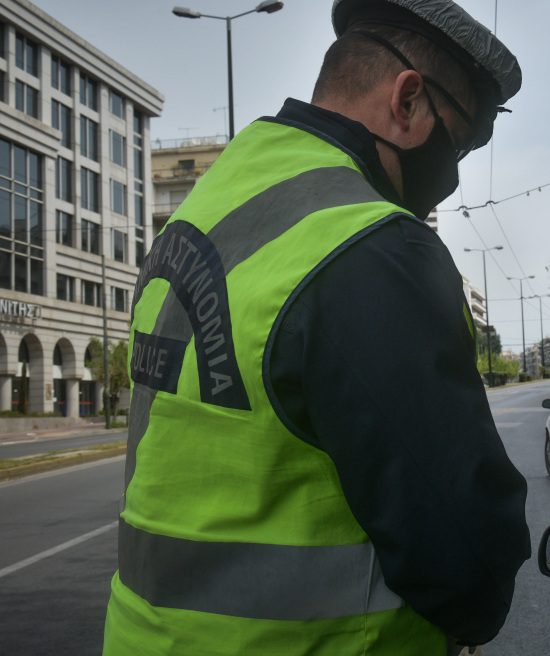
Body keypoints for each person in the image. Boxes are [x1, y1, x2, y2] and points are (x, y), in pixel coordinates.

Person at [102, 1, 528, 654]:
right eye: (461, 141)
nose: (456, 167)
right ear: (408, 100)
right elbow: (463, 555)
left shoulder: (205, 210)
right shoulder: (371, 244)